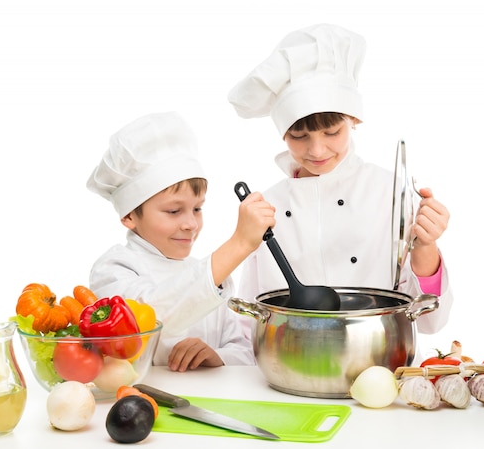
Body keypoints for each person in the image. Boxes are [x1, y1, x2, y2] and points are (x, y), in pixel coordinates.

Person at [227, 23, 453, 335]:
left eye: (332, 132)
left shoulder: (390, 193)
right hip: (287, 366)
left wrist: (426, 245)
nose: (316, 149)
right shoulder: (266, 207)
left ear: (354, 120)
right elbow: (248, 322)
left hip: (375, 361)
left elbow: (430, 321)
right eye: (299, 135)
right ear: (281, 133)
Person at [85, 112, 276, 371]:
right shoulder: (114, 268)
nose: (191, 224)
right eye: (174, 211)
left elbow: (242, 351)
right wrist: (239, 244)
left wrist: (217, 356)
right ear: (129, 215)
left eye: (197, 209)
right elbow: (147, 317)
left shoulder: (205, 272)